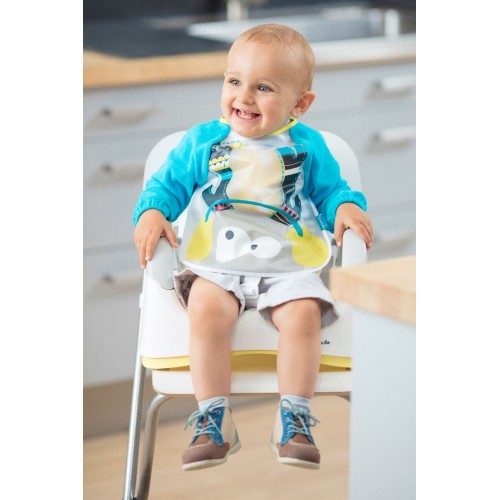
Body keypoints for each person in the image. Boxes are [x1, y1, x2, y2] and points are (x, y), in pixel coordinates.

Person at [132, 23, 373, 471]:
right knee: (205, 309)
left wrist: (344, 207)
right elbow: (166, 187)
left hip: (286, 266)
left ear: (300, 104)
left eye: (263, 88)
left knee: (303, 314)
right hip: (217, 266)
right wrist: (151, 212)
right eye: (234, 81)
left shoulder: (307, 146)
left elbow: (332, 192)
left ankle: (294, 418)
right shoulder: (204, 141)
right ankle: (213, 419)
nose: (243, 97)